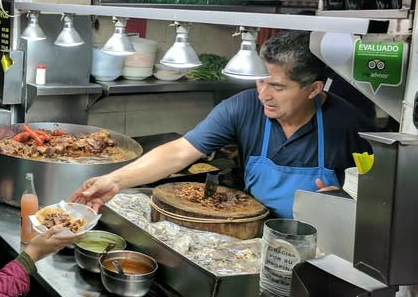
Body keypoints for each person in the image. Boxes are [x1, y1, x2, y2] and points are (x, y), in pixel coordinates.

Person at [71, 31, 373, 219]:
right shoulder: (243, 107)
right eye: (259, 80)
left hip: (322, 244)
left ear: (313, 89)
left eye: (278, 87)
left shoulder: (350, 125)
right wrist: (115, 180)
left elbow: (382, 201)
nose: (263, 94)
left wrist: (347, 204)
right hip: (252, 229)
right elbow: (180, 152)